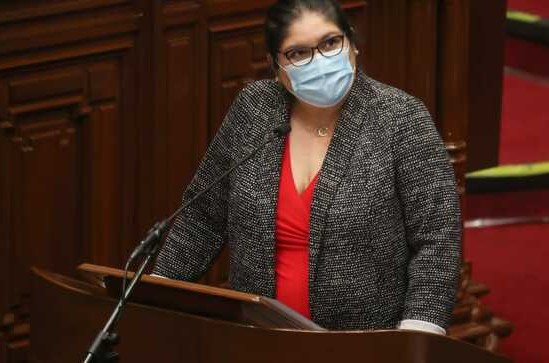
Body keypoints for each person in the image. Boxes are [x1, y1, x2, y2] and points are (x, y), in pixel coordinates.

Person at [153, 0, 461, 335]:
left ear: (352, 43)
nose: (320, 61)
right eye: (299, 53)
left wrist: (415, 339)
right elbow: (203, 216)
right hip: (256, 340)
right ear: (276, 66)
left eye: (330, 42)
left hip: (366, 346)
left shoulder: (400, 118)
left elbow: (437, 239)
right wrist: (156, 292)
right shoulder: (254, 108)